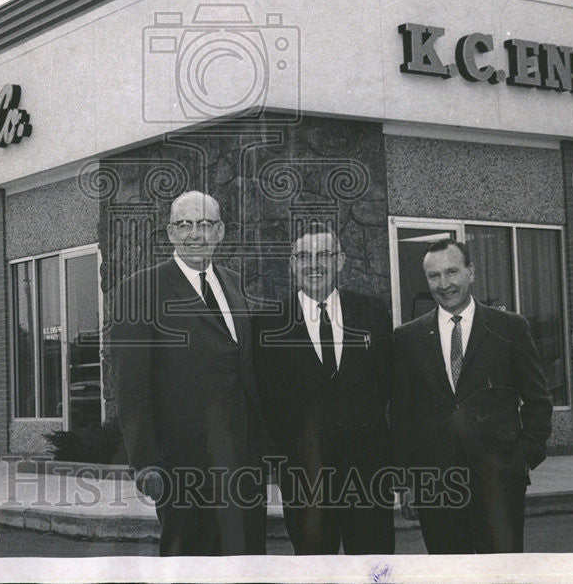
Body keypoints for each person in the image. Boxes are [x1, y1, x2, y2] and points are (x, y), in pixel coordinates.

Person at [109, 190, 267, 556]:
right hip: (183, 465)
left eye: (205, 225)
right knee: (190, 564)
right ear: (170, 233)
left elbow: (243, 367)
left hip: (243, 464)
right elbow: (130, 388)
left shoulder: (234, 283)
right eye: (185, 225)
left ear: (221, 232)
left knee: (247, 562)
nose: (195, 234)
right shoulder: (140, 291)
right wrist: (145, 461)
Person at [391, 239, 552, 554]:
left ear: (471, 272)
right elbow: (401, 416)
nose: (444, 284)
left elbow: (538, 400)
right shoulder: (407, 338)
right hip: (435, 489)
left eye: (452, 272)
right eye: (434, 276)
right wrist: (406, 482)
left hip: (500, 483)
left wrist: (524, 458)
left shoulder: (510, 328)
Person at [255, 224, 395, 554]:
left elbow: (387, 385)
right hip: (305, 481)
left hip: (368, 477)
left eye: (324, 255)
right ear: (291, 264)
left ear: (341, 261)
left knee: (374, 570)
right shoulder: (269, 322)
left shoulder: (372, 312)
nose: (313, 264)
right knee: (315, 570)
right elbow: (267, 400)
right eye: (303, 256)